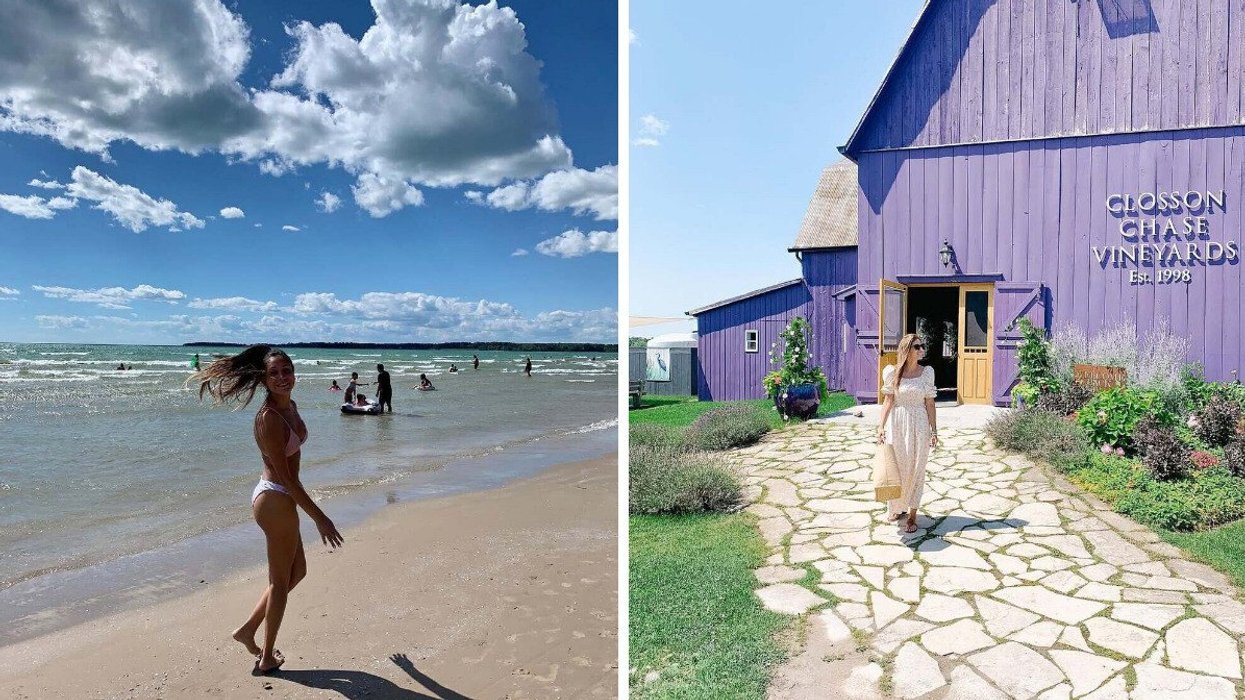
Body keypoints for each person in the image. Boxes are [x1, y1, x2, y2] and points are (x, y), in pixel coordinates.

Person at [193, 344, 343, 674]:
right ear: (264, 379)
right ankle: (265, 656)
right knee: (279, 582)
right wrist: (321, 518)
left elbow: (292, 476)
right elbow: (288, 479)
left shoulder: (290, 406)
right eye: (273, 373)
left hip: (283, 499)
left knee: (296, 572)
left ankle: (247, 629)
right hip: (275, 499)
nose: (280, 377)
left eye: (285, 370)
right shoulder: (268, 419)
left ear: (294, 373)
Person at [876, 334, 939, 534]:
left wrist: (934, 430)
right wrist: (880, 427)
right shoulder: (893, 373)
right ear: (907, 350)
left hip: (919, 423)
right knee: (898, 467)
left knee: (916, 468)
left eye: (922, 346)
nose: (922, 350)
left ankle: (912, 514)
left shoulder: (927, 373)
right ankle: (895, 507)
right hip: (897, 423)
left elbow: (930, 403)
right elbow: (888, 401)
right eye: (917, 347)